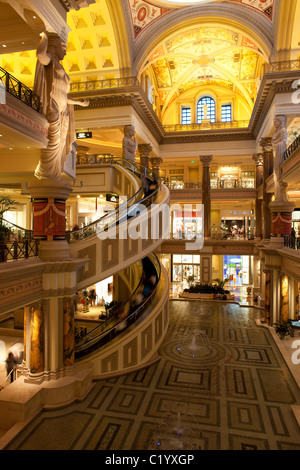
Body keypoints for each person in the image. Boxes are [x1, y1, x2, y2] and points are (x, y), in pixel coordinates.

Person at [33, 31, 89, 181]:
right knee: (53, 141)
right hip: (53, 107)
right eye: (63, 47)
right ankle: (45, 172)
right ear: (55, 46)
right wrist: (44, 37)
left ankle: (53, 174)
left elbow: (64, 94)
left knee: (59, 144)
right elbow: (40, 55)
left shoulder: (60, 67)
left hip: (63, 109)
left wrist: (78, 102)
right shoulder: (50, 61)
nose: (65, 51)